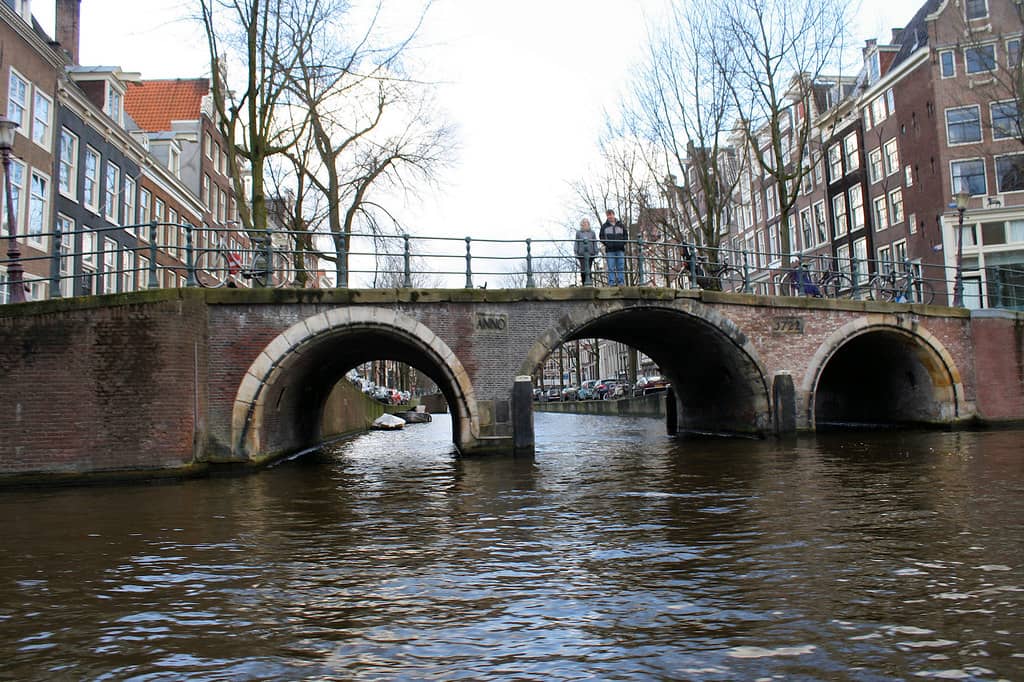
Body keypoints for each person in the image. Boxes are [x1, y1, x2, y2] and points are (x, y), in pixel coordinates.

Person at [599, 209, 627, 286]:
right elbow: (601, 237)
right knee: (611, 267)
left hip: (620, 249)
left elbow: (625, 235)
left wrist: (622, 243)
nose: (610, 216)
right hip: (610, 250)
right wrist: (607, 244)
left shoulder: (621, 225)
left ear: (614, 215)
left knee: (620, 266)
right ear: (607, 216)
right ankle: (611, 283)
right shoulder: (604, 226)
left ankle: (621, 283)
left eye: (611, 214)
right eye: (608, 215)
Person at [574, 218, 599, 285]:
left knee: (589, 269)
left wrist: (596, 252)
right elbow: (576, 242)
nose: (585, 223)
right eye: (584, 222)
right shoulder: (578, 233)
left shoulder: (592, 233)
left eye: (586, 222)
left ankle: (589, 283)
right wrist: (575, 252)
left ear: (588, 224)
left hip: (590, 253)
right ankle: (584, 283)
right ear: (581, 224)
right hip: (581, 254)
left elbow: (595, 242)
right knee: (583, 269)